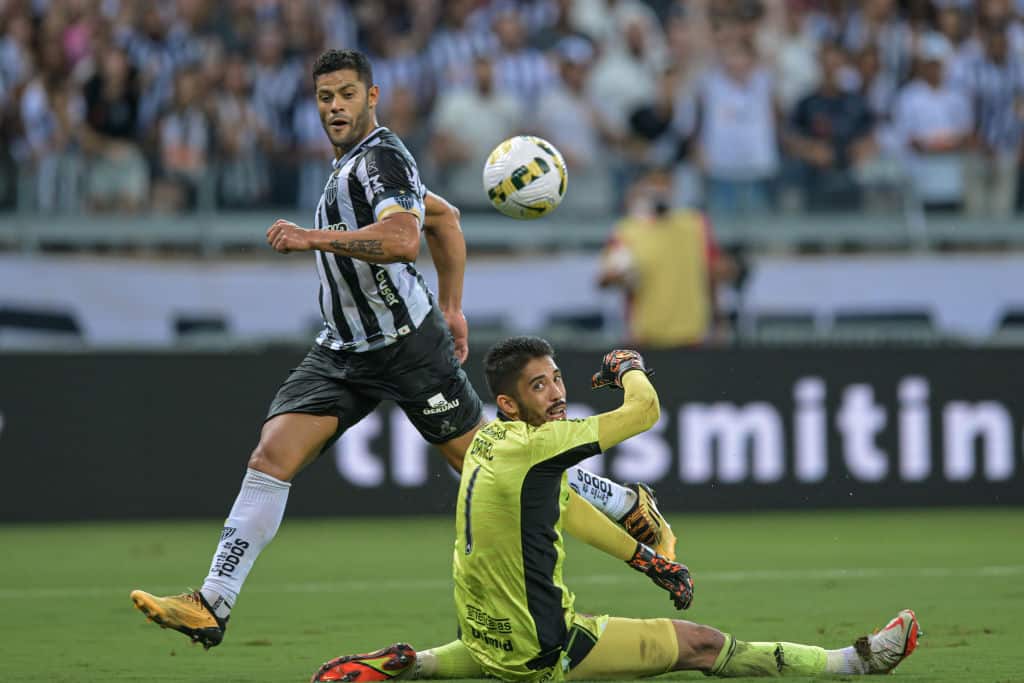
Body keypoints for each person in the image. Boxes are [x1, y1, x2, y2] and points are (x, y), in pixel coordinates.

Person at [129, 49, 674, 651]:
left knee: (491, 467)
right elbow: (445, 219)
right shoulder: (352, 166)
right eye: (325, 97)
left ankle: (623, 502)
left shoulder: (382, 160)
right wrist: (454, 306)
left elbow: (402, 239)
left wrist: (311, 238)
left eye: (346, 94)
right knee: (271, 456)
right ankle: (212, 603)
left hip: (407, 348)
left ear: (372, 97)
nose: (335, 107)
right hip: (343, 350)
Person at [311, 338, 921, 683]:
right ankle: (857, 662)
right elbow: (644, 412)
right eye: (539, 386)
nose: (557, 393)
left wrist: (649, 562)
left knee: (488, 654)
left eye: (556, 378)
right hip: (545, 649)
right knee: (702, 645)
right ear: (508, 402)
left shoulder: (491, 444)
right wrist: (629, 367)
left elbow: (568, 510)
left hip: (485, 634)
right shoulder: (541, 446)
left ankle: (410, 666)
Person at [598, 169, 736, 348]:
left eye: (665, 184)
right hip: (646, 338)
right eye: (654, 185)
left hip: (693, 337)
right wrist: (620, 277)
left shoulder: (695, 224)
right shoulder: (627, 231)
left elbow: (714, 273)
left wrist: (720, 322)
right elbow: (604, 279)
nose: (660, 191)